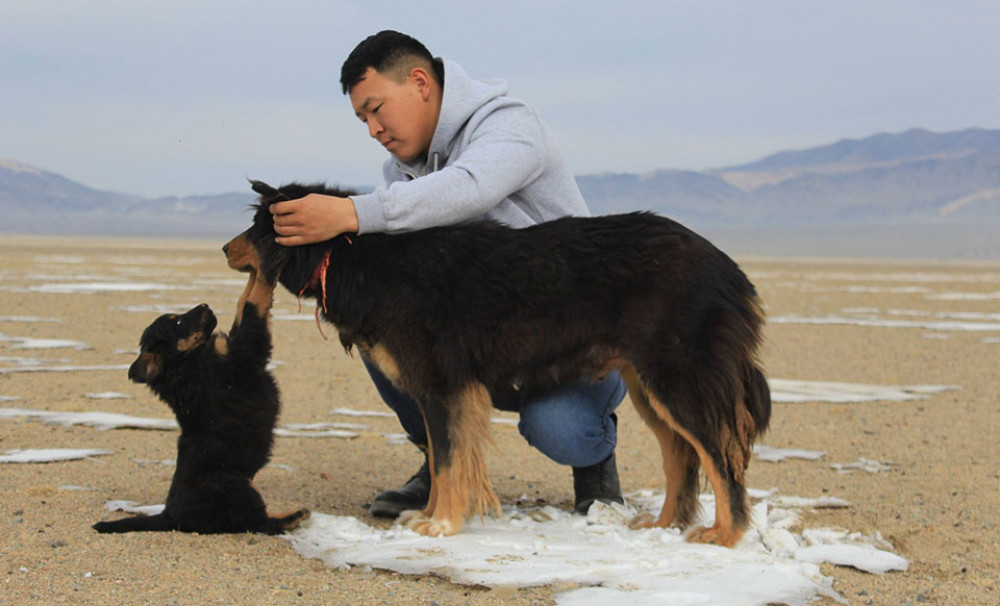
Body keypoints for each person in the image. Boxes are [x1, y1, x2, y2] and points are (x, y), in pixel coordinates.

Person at [270, 30, 626, 517]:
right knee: (386, 330)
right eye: (362, 119)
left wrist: (351, 213)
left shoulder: (508, 123)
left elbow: (469, 189)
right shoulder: (400, 173)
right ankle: (441, 463)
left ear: (419, 82)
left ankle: (596, 463)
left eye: (376, 109)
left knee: (559, 429)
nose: (373, 129)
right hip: (483, 342)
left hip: (569, 336)